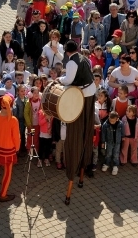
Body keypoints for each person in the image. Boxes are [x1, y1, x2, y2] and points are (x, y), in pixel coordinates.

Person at [58, 40, 97, 204]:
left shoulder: (73, 62)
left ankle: (74, 169)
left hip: (83, 97)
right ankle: (82, 171)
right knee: (85, 131)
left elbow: (68, 80)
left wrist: (60, 79)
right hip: (90, 91)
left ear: (67, 52)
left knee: (77, 132)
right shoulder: (83, 57)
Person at [0, 94, 20, 202]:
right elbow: (16, 137)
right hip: (8, 149)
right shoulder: (13, 120)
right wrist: (17, 148)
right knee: (7, 172)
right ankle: (3, 194)